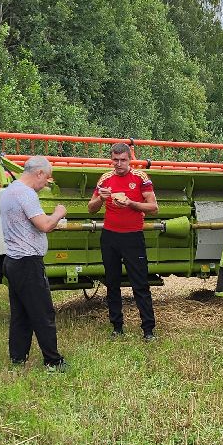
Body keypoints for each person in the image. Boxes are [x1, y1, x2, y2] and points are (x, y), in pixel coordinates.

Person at [0, 156, 69, 370]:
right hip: (28, 262)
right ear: (38, 173)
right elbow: (44, 225)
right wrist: (59, 213)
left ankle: (18, 357)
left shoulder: (10, 190)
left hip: (12, 260)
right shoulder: (26, 193)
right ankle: (53, 361)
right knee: (42, 313)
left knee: (21, 313)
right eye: (46, 179)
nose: (45, 184)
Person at [88, 142, 159, 340]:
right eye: (115, 160)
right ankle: (117, 326)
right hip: (110, 236)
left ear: (130, 160)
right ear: (111, 159)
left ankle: (148, 330)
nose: (118, 164)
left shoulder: (140, 178)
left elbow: (153, 207)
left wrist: (131, 203)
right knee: (112, 283)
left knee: (140, 284)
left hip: (133, 236)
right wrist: (100, 199)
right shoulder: (105, 179)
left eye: (123, 160)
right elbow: (91, 208)